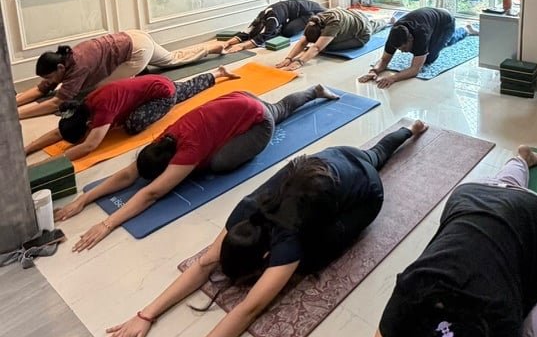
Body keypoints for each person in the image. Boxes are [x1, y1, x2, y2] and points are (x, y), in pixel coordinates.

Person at [98, 119, 429, 337]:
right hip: (334, 157)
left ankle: (408, 130)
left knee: (314, 256)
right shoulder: (245, 210)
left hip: (366, 192)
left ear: (266, 258)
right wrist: (145, 315)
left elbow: (248, 309)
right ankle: (409, 128)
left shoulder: (290, 243)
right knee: (373, 152)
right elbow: (203, 263)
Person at [357, 146, 537, 337]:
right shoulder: (410, 294)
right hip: (473, 196)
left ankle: (514, 174)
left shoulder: (500, 325)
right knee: (501, 204)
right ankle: (518, 163)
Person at [56, 83, 342, 252]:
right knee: (278, 108)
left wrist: (106, 224)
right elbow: (130, 174)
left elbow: (151, 193)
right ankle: (313, 90)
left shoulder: (187, 153)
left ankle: (304, 97)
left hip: (256, 119)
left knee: (220, 161)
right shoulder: (164, 139)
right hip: (237, 98)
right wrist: (83, 200)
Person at [23, 68, 231, 161]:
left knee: (132, 126)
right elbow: (59, 132)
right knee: (184, 90)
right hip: (153, 84)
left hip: (162, 94)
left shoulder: (102, 112)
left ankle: (211, 77)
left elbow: (90, 145)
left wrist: (48, 164)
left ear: (88, 123)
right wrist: (26, 150)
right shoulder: (83, 107)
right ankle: (217, 74)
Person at [16, 30, 228, 120]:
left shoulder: (78, 66)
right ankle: (212, 48)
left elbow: (56, 103)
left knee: (100, 93)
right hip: (135, 36)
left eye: (49, 78)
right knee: (172, 59)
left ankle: (138, 77)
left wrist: (16, 116)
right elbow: (40, 89)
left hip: (135, 52)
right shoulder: (64, 59)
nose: (48, 82)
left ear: (60, 69)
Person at [359, 7, 477, 88]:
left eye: (404, 48)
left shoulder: (421, 34)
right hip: (429, 18)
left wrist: (393, 78)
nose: (402, 51)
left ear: (411, 39)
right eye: (399, 49)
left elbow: (415, 69)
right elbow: (384, 60)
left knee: (431, 57)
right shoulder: (394, 34)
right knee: (425, 50)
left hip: (446, 21)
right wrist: (374, 71)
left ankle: (466, 30)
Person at [276, 7, 391, 71]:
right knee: (370, 24)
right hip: (353, 16)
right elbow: (302, 42)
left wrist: (300, 62)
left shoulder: (333, 25)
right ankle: (385, 20)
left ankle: (387, 21)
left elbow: (316, 48)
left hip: (361, 33)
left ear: (322, 32)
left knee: (327, 47)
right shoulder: (313, 22)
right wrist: (289, 58)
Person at [222, 0, 325, 52]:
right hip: (292, 11)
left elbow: (264, 36)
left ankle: (306, 21)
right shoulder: (260, 17)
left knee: (288, 32)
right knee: (280, 30)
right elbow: (247, 32)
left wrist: (242, 46)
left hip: (308, 12)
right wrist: (228, 43)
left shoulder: (272, 20)